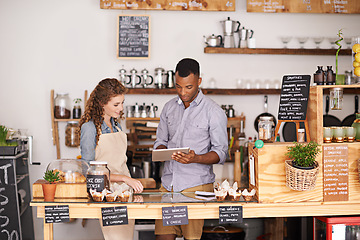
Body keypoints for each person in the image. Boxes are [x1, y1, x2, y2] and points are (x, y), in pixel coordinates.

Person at [154, 58, 228, 240]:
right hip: (168, 187)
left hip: (196, 189)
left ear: (199, 82)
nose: (183, 92)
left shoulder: (213, 111)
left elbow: (221, 153)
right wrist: (164, 151)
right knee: (162, 237)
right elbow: (160, 142)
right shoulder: (169, 108)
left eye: (188, 87)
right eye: (178, 86)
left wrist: (196, 158)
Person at [79, 78, 143, 240]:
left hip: (124, 192)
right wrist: (124, 178)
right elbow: (89, 172)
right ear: (101, 103)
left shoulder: (117, 125)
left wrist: (127, 182)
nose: (121, 108)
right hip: (107, 193)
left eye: (122, 103)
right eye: (116, 105)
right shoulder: (90, 127)